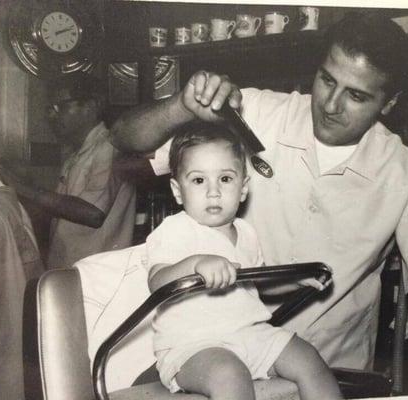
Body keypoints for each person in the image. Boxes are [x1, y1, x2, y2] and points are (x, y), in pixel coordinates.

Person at [111, 13, 408, 394]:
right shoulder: (256, 113)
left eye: (356, 95)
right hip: (218, 358)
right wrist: (182, 106)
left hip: (331, 372)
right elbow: (125, 140)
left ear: (389, 103)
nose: (331, 104)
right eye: (328, 80)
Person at [145, 123, 341, 399]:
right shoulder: (175, 229)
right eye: (199, 180)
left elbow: (260, 284)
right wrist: (197, 263)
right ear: (178, 191)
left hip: (250, 335)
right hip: (193, 346)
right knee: (230, 375)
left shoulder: (247, 233)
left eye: (225, 179)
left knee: (308, 358)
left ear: (243, 188)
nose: (213, 192)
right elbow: (157, 281)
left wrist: (293, 282)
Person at [0, 73, 136, 269]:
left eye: (62, 107)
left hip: (98, 273)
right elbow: (60, 211)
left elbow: (93, 214)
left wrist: (21, 187)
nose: (53, 115)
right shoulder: (76, 153)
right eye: (50, 109)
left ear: (91, 107)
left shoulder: (109, 147)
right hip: (71, 269)